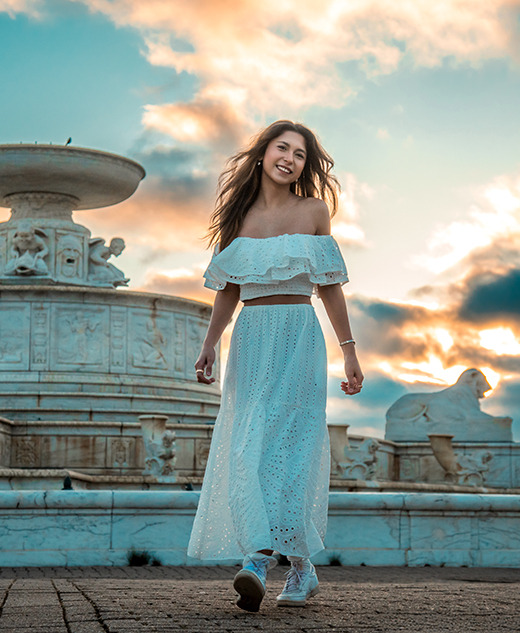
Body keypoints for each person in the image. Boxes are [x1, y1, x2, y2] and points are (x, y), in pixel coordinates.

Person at [187, 120, 363, 612]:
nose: (290, 158)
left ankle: (260, 561)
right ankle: (296, 569)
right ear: (264, 153)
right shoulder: (237, 219)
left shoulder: (313, 211)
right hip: (252, 337)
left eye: (300, 154)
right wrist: (209, 343)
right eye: (282, 148)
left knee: (291, 448)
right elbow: (228, 291)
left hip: (300, 336)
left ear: (306, 165)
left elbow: (329, 284)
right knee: (247, 445)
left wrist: (349, 349)